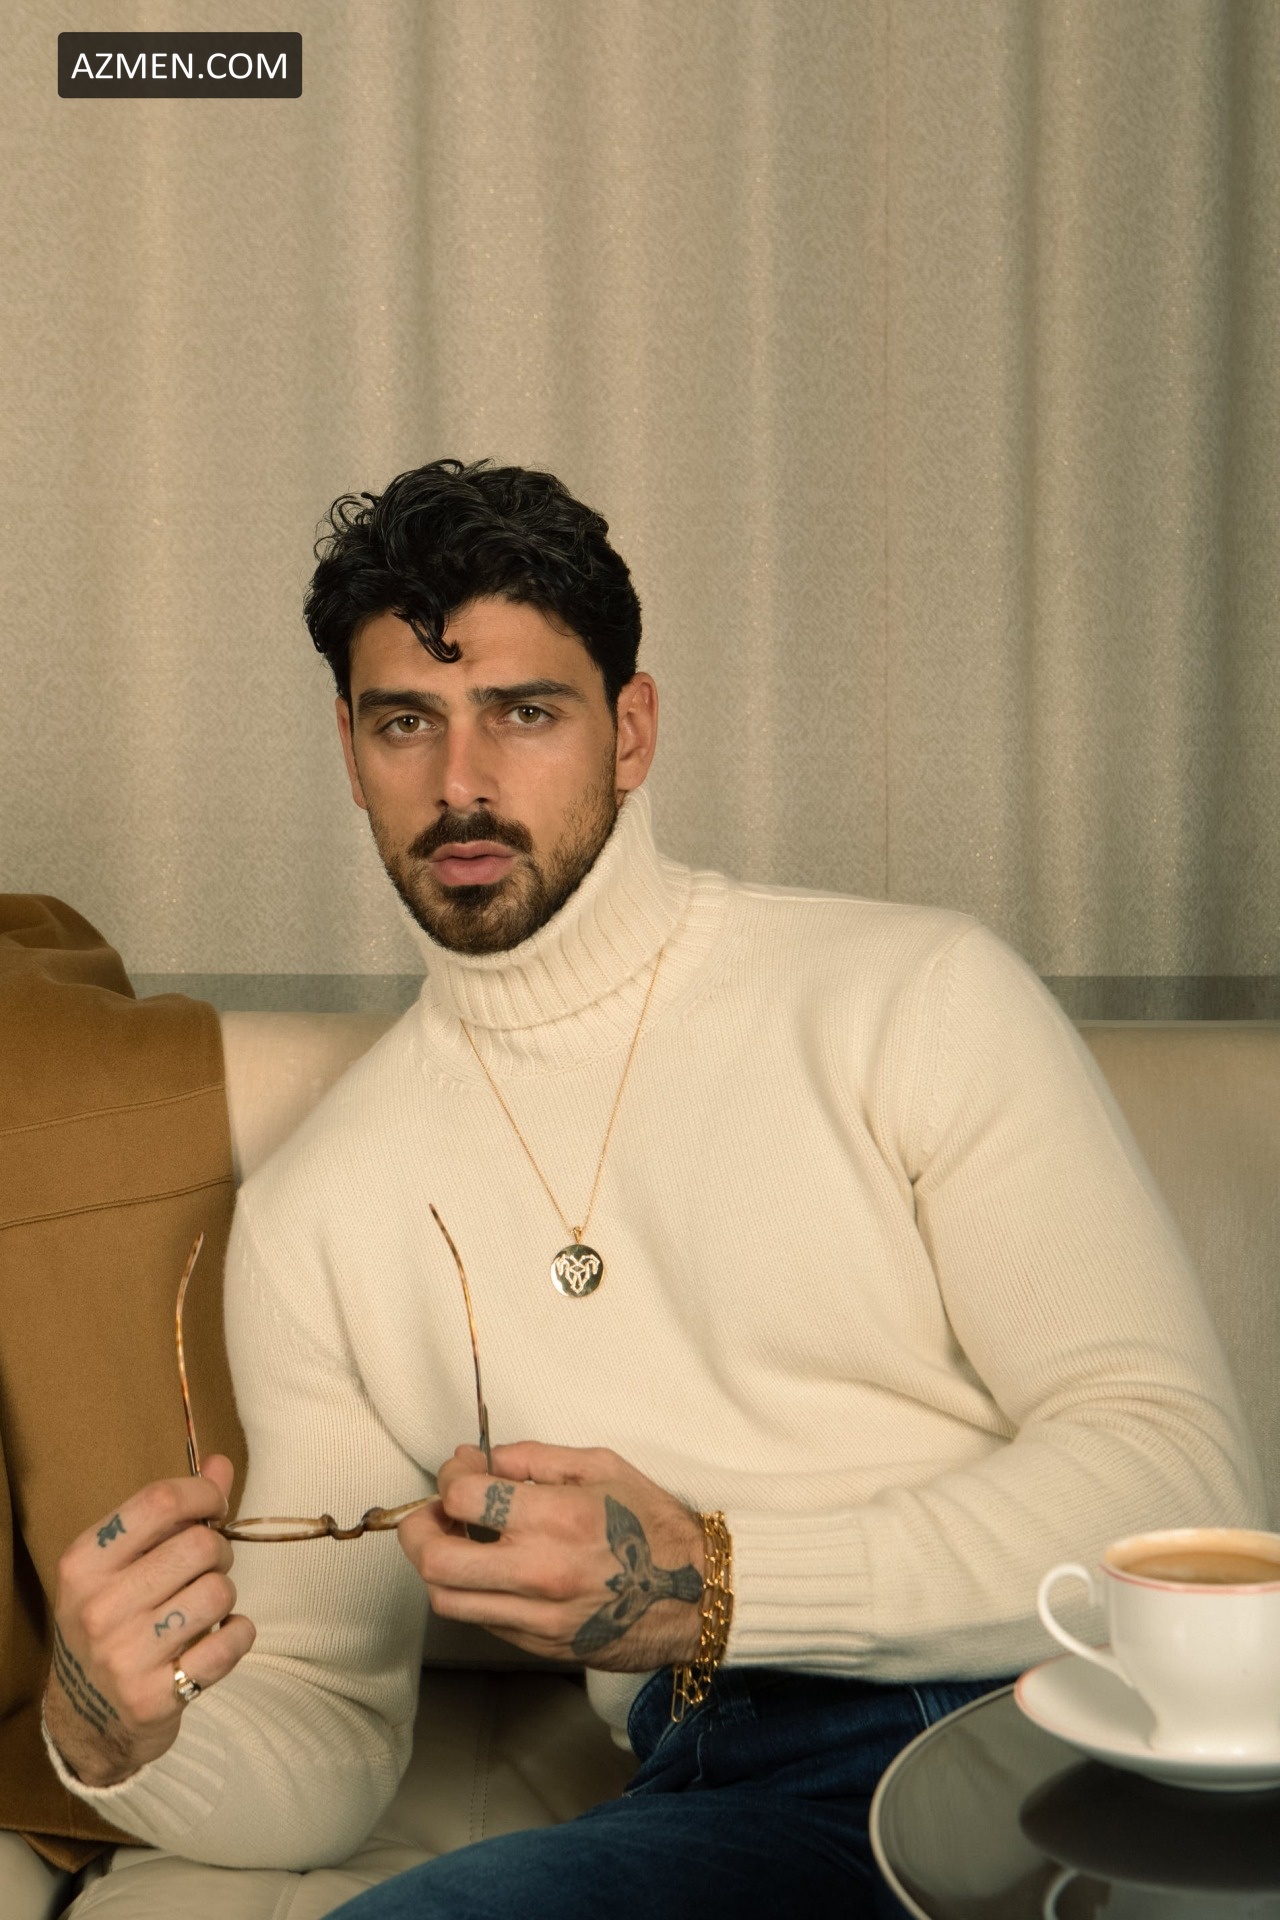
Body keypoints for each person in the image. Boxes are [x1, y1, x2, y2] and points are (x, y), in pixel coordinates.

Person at [42, 460, 1264, 1917]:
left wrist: (716, 1580)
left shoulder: (915, 996)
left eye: (525, 712)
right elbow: (329, 1734)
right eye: (406, 722)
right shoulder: (319, 1214)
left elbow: (1178, 1476)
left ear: (631, 731)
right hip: (744, 1788)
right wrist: (112, 1733)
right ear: (350, 752)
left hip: (1065, 1724)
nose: (461, 782)